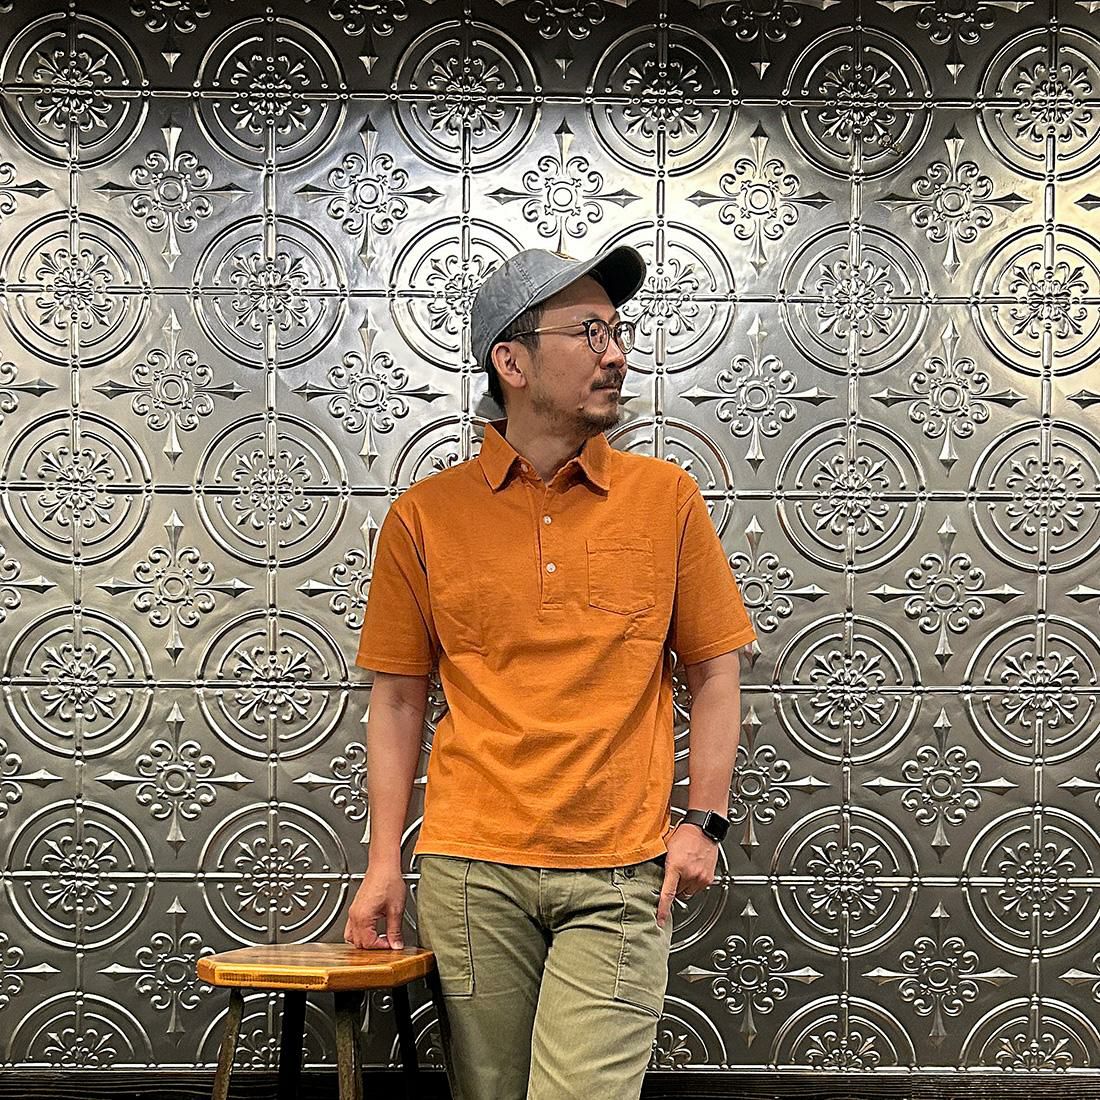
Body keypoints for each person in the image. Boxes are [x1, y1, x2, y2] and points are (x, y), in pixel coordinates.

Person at [343, 244, 756, 1099]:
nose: (617, 354)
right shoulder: (424, 517)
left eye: (617, 332)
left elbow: (715, 670)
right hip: (469, 874)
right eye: (590, 332)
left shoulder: (666, 499)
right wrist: (384, 863)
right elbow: (398, 697)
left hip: (620, 872)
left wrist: (704, 823)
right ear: (513, 361)